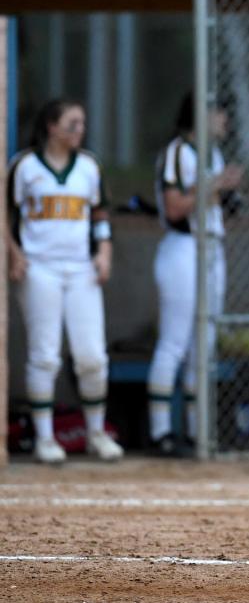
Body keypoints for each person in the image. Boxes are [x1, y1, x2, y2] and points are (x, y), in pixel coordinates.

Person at [6, 98, 124, 464]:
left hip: (80, 267)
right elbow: (6, 215)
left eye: (82, 124)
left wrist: (104, 252)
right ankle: (44, 438)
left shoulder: (87, 166)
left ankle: (94, 432)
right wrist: (14, 254)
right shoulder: (24, 166)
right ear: (51, 127)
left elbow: (99, 213)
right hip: (39, 267)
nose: (79, 130)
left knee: (92, 357)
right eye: (72, 123)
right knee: (45, 356)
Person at [146, 93, 243, 457]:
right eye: (219, 113)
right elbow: (174, 208)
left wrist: (226, 189)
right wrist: (216, 184)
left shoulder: (212, 155)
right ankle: (160, 432)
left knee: (203, 343)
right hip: (183, 247)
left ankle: (194, 431)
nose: (224, 120)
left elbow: (217, 203)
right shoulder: (178, 151)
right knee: (174, 340)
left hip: (212, 249)